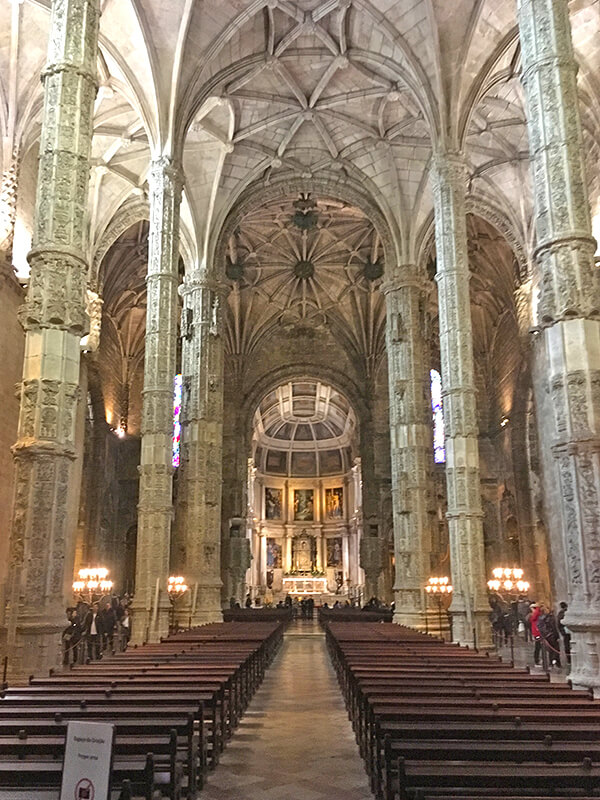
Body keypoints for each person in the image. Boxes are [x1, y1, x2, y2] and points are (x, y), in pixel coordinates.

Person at [539, 603, 561, 667]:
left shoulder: (541, 618)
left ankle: (551, 662)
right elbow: (554, 628)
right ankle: (556, 662)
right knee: (555, 649)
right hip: (551, 635)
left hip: (547, 635)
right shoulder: (550, 618)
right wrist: (557, 636)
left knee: (551, 650)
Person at [557, 601, 571, 666]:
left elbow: (558, 624)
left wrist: (561, 632)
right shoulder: (568, 612)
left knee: (567, 646)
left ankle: (569, 659)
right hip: (568, 632)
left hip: (566, 632)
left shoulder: (561, 613)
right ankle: (569, 659)